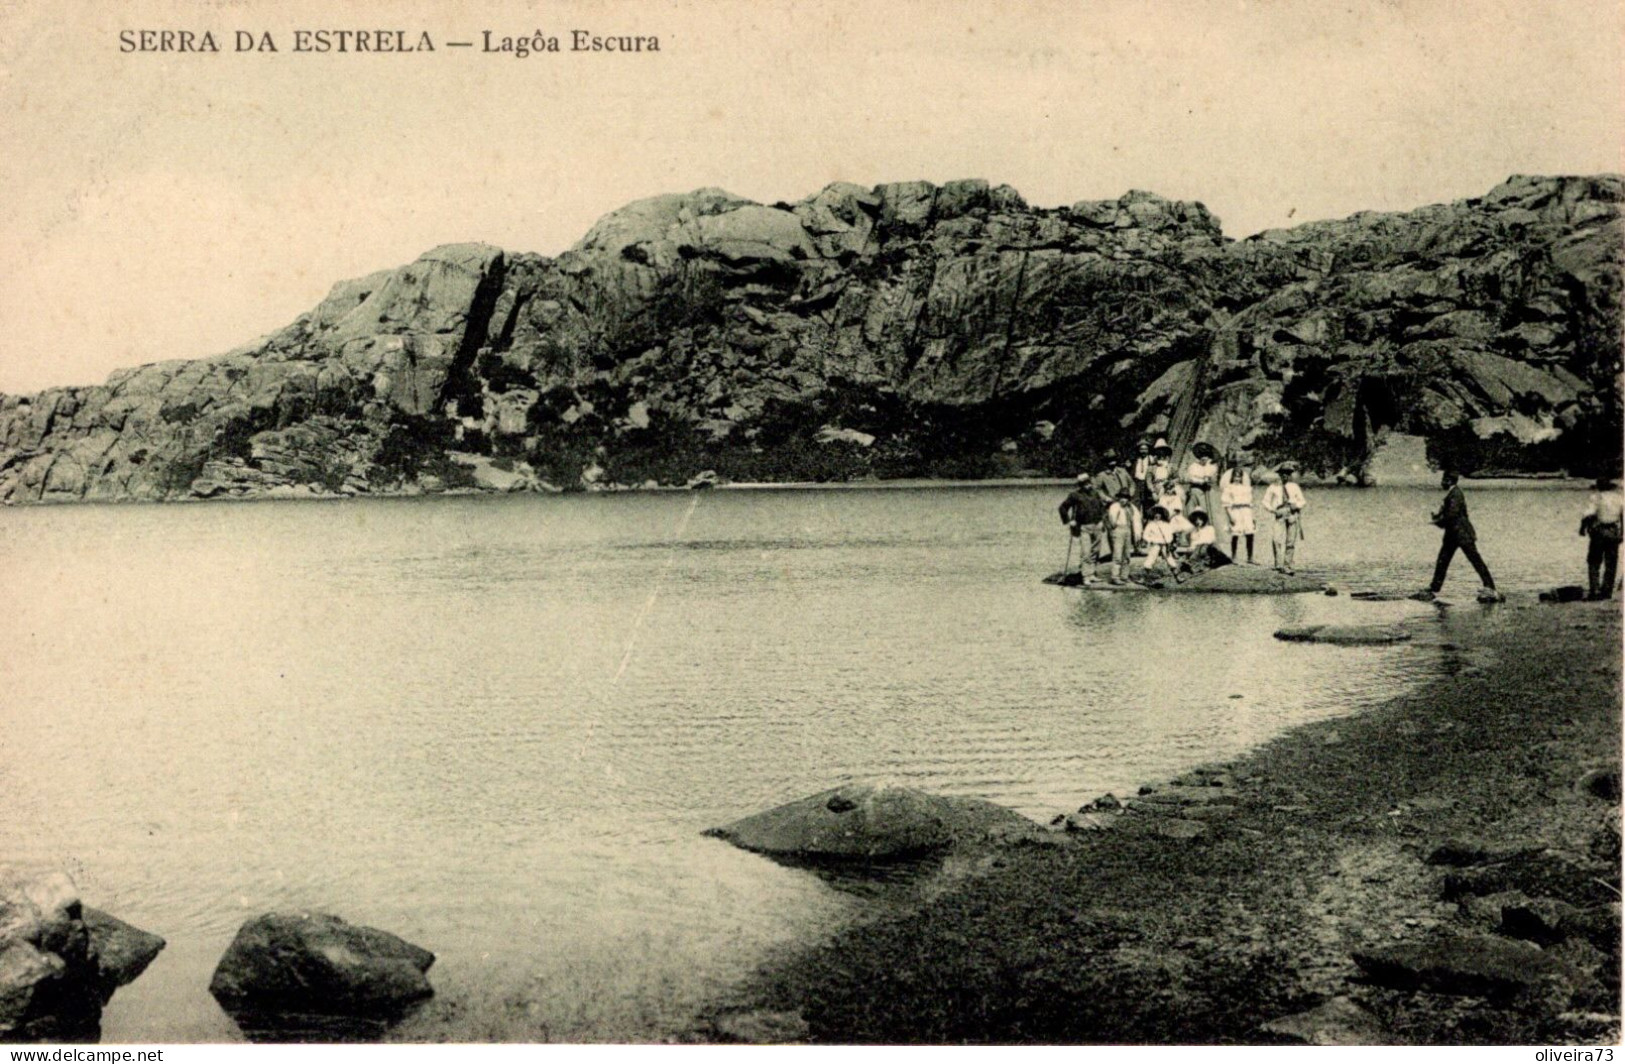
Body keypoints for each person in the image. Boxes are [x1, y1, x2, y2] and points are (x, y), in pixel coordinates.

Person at [1420, 469, 1495, 599]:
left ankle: (1490, 586)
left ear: (1449, 480)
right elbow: (1452, 513)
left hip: (1460, 535)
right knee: (1444, 560)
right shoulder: (1454, 493)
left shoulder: (1455, 494)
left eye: (1444, 479)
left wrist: (1438, 521)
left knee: (1473, 560)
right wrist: (1438, 517)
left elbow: (1452, 514)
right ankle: (1434, 587)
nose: (1442, 482)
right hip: (1455, 534)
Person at [1580, 474, 1623, 600]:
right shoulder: (1619, 498)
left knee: (1594, 561)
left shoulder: (1596, 498)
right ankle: (1607, 591)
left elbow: (1588, 514)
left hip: (1599, 531)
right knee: (1611, 562)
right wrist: (1622, 534)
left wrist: (1582, 528)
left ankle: (1595, 590)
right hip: (1614, 530)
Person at [1058, 472, 1108, 579]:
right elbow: (1062, 507)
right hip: (1083, 527)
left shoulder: (1095, 493)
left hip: (1097, 525)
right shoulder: (1074, 495)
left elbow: (1102, 508)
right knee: (1086, 552)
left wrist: (1102, 520)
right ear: (1080, 485)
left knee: (1096, 551)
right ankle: (1086, 576)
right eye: (1085, 484)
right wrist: (1068, 521)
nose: (1088, 485)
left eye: (1088, 483)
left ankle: (1092, 573)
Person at [1259, 462, 1306, 574]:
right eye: (1283, 473)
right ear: (1279, 475)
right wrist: (1273, 510)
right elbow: (1265, 501)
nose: (1285, 476)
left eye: (1287, 473)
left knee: (1290, 542)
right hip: (1279, 512)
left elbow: (1302, 501)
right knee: (1276, 539)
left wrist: (1297, 505)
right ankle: (1278, 564)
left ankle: (1287, 565)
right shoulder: (1273, 487)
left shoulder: (1294, 487)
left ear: (1290, 475)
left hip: (1291, 513)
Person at [1220, 457, 1256, 564]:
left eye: (1239, 477)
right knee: (1235, 533)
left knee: (1250, 533)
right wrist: (1230, 516)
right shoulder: (1229, 488)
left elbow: (1250, 502)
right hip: (1235, 511)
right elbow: (1226, 504)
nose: (1237, 479)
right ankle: (1234, 556)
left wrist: (1253, 516)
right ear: (1232, 477)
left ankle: (1250, 557)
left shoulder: (1246, 488)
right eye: (1235, 477)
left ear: (1241, 478)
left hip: (1246, 511)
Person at [1105, 486, 1136, 584]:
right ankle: (1115, 576)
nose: (1123, 500)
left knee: (1127, 555)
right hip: (1118, 530)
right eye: (1122, 497)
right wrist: (1114, 529)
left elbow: (1133, 519)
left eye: (1126, 498)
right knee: (1117, 554)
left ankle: (1124, 575)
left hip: (1127, 530)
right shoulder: (1114, 507)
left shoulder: (1129, 508)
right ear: (1118, 498)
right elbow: (1112, 521)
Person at [1184, 442, 1220, 515]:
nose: (1203, 458)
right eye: (1201, 456)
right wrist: (1201, 481)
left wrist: (1208, 465)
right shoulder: (1194, 466)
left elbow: (1210, 477)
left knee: (1207, 508)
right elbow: (1190, 478)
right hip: (1196, 489)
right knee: (1192, 506)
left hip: (1208, 491)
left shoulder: (1211, 466)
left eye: (1206, 456)